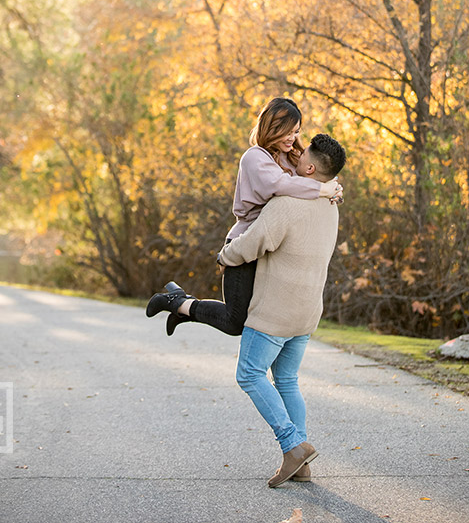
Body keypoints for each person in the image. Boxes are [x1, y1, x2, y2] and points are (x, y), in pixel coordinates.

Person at [145, 97, 343, 336]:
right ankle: (177, 303)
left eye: (296, 131)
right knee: (235, 321)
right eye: (287, 132)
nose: (292, 138)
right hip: (246, 239)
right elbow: (280, 186)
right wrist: (323, 190)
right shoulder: (255, 157)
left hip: (268, 247)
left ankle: (182, 308)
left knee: (255, 316)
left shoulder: (291, 156)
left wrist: (334, 187)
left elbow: (316, 173)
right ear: (271, 128)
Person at [220, 132, 346, 487]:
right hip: (307, 312)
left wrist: (224, 256)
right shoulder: (332, 203)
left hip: (275, 311)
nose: (294, 151)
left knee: (249, 374)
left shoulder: (286, 204)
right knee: (287, 379)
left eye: (300, 152)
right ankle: (300, 464)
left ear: (308, 167)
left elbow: (254, 243)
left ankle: (292, 445)